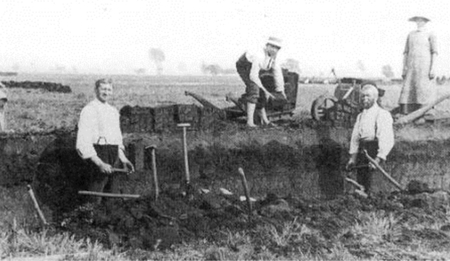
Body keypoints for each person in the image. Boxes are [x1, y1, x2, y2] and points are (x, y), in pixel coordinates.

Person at [76, 78, 134, 200]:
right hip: (97, 155)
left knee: (112, 196)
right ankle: (90, 219)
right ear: (96, 90)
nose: (106, 92)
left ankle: (109, 219)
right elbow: (83, 142)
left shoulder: (113, 112)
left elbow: (116, 140)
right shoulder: (89, 110)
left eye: (109, 89)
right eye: (103, 89)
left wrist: (123, 159)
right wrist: (100, 163)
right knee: (95, 196)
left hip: (113, 155)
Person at [346, 85, 395, 194]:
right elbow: (355, 138)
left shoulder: (382, 115)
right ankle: (363, 201)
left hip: (375, 151)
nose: (364, 99)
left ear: (376, 98)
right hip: (362, 151)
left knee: (373, 184)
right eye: (362, 96)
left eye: (368, 96)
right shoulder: (360, 116)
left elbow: (387, 139)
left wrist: (378, 159)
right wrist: (353, 158)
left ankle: (374, 204)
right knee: (361, 182)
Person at [236, 36, 286, 127]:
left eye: (277, 48)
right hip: (244, 66)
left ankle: (265, 120)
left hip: (255, 69)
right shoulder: (259, 55)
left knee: (262, 92)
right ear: (267, 46)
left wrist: (280, 90)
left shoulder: (274, 57)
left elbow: (277, 73)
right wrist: (266, 91)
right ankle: (249, 122)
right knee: (254, 89)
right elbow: (253, 76)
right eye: (272, 46)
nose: (274, 50)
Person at [399, 15, 438, 115]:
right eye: (417, 20)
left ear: (425, 21)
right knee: (409, 87)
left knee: (423, 88)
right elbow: (406, 52)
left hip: (424, 67)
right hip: (412, 67)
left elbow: (434, 52)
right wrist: (404, 68)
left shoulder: (430, 34)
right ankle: (407, 111)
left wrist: (433, 68)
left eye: (421, 20)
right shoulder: (411, 35)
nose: (419, 22)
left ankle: (425, 111)